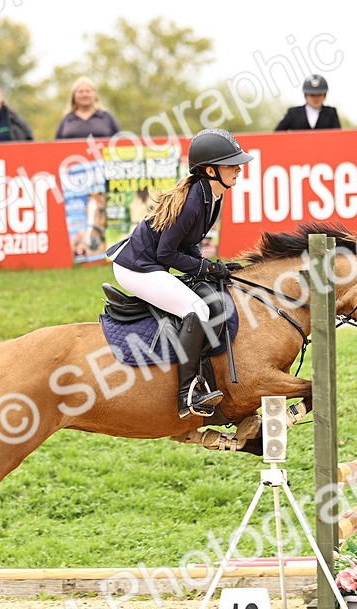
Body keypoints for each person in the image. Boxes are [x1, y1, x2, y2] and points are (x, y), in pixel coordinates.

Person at [108, 128, 252, 419]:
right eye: (231, 164)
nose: (239, 168)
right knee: (197, 309)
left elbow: (188, 243)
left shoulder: (213, 195)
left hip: (150, 263)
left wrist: (211, 267)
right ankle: (188, 393)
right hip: (137, 268)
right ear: (211, 170)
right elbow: (166, 254)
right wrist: (205, 267)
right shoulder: (194, 201)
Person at [54, 76, 121, 140]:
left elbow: (120, 142)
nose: (84, 95)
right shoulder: (67, 119)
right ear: (74, 96)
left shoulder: (106, 117)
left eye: (88, 91)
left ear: (95, 94)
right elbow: (56, 146)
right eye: (80, 92)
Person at [274, 75, 341, 131]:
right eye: (312, 95)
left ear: (324, 96)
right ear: (305, 95)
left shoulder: (331, 113)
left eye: (319, 95)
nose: (316, 98)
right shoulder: (293, 113)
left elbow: (338, 136)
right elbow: (276, 135)